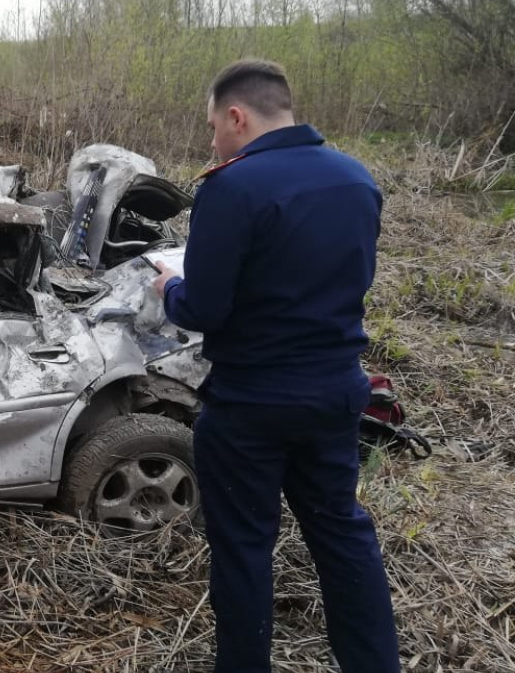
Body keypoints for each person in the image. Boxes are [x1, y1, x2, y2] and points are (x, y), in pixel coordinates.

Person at [151, 59, 401, 673]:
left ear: (238, 116)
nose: (213, 140)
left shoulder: (232, 188)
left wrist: (169, 290)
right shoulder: (355, 179)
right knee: (342, 536)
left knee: (243, 550)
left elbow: (205, 308)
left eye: (214, 127)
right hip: (337, 393)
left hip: (251, 405)